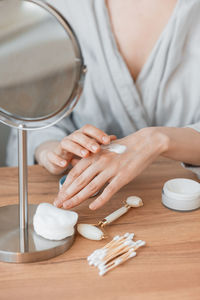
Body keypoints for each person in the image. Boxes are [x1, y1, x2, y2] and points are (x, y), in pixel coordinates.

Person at [7, 0, 200, 210]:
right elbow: (34, 113)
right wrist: (50, 151)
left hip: (183, 210)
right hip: (84, 204)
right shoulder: (59, 8)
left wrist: (157, 140)